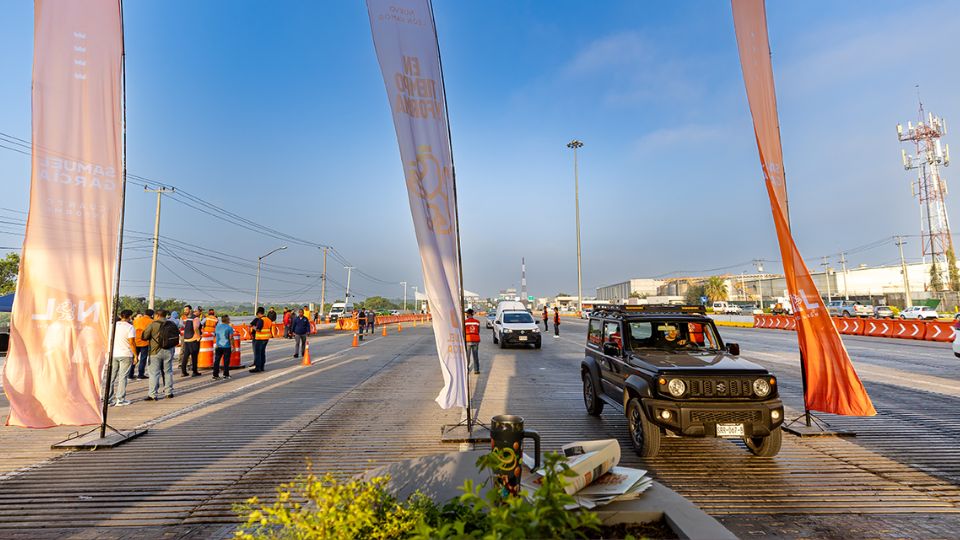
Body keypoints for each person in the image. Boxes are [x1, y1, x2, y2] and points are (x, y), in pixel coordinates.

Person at [141, 309, 179, 400]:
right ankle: (169, 392)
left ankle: (153, 394)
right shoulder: (172, 324)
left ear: (157, 315)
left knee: (154, 373)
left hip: (155, 351)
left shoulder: (153, 325)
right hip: (169, 350)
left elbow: (144, 337)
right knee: (168, 372)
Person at [108, 309, 137, 406]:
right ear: (130, 317)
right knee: (122, 377)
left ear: (120, 316)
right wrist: (136, 355)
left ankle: (108, 399)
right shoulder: (130, 327)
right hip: (125, 354)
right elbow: (132, 343)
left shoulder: (112, 326)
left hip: (113, 354)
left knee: (111, 377)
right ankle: (120, 399)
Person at [132, 309, 154, 380]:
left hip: (135, 341)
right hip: (145, 342)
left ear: (144, 313)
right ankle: (140, 374)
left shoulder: (136, 320)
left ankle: (130, 374)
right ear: (152, 315)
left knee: (134, 358)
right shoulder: (151, 321)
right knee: (143, 359)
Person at [180, 306, 202, 377]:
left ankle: (183, 372)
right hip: (193, 339)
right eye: (200, 311)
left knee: (186, 355)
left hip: (186, 339)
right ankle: (194, 371)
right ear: (196, 311)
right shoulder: (196, 318)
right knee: (194, 356)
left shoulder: (188, 318)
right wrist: (198, 336)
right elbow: (196, 328)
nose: (200, 313)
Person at [250, 306, 272, 373]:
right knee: (262, 353)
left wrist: (254, 328)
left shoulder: (261, 320)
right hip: (266, 338)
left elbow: (258, 329)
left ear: (259, 313)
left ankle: (257, 367)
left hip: (260, 338)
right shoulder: (268, 320)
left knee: (258, 353)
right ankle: (262, 367)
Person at [213, 314, 234, 380]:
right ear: (227, 320)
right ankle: (226, 374)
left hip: (218, 346)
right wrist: (233, 346)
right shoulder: (229, 328)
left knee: (217, 361)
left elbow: (216, 335)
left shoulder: (217, 327)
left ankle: (215, 375)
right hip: (226, 346)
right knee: (226, 361)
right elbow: (231, 338)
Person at [464, 309, 481, 374]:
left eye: (467, 314)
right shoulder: (477, 322)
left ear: (469, 314)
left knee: (467, 356)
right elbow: (478, 331)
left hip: (468, 340)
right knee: (475, 355)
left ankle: (466, 370)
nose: (466, 315)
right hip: (476, 340)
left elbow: (463, 331)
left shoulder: (465, 322)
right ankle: (476, 370)